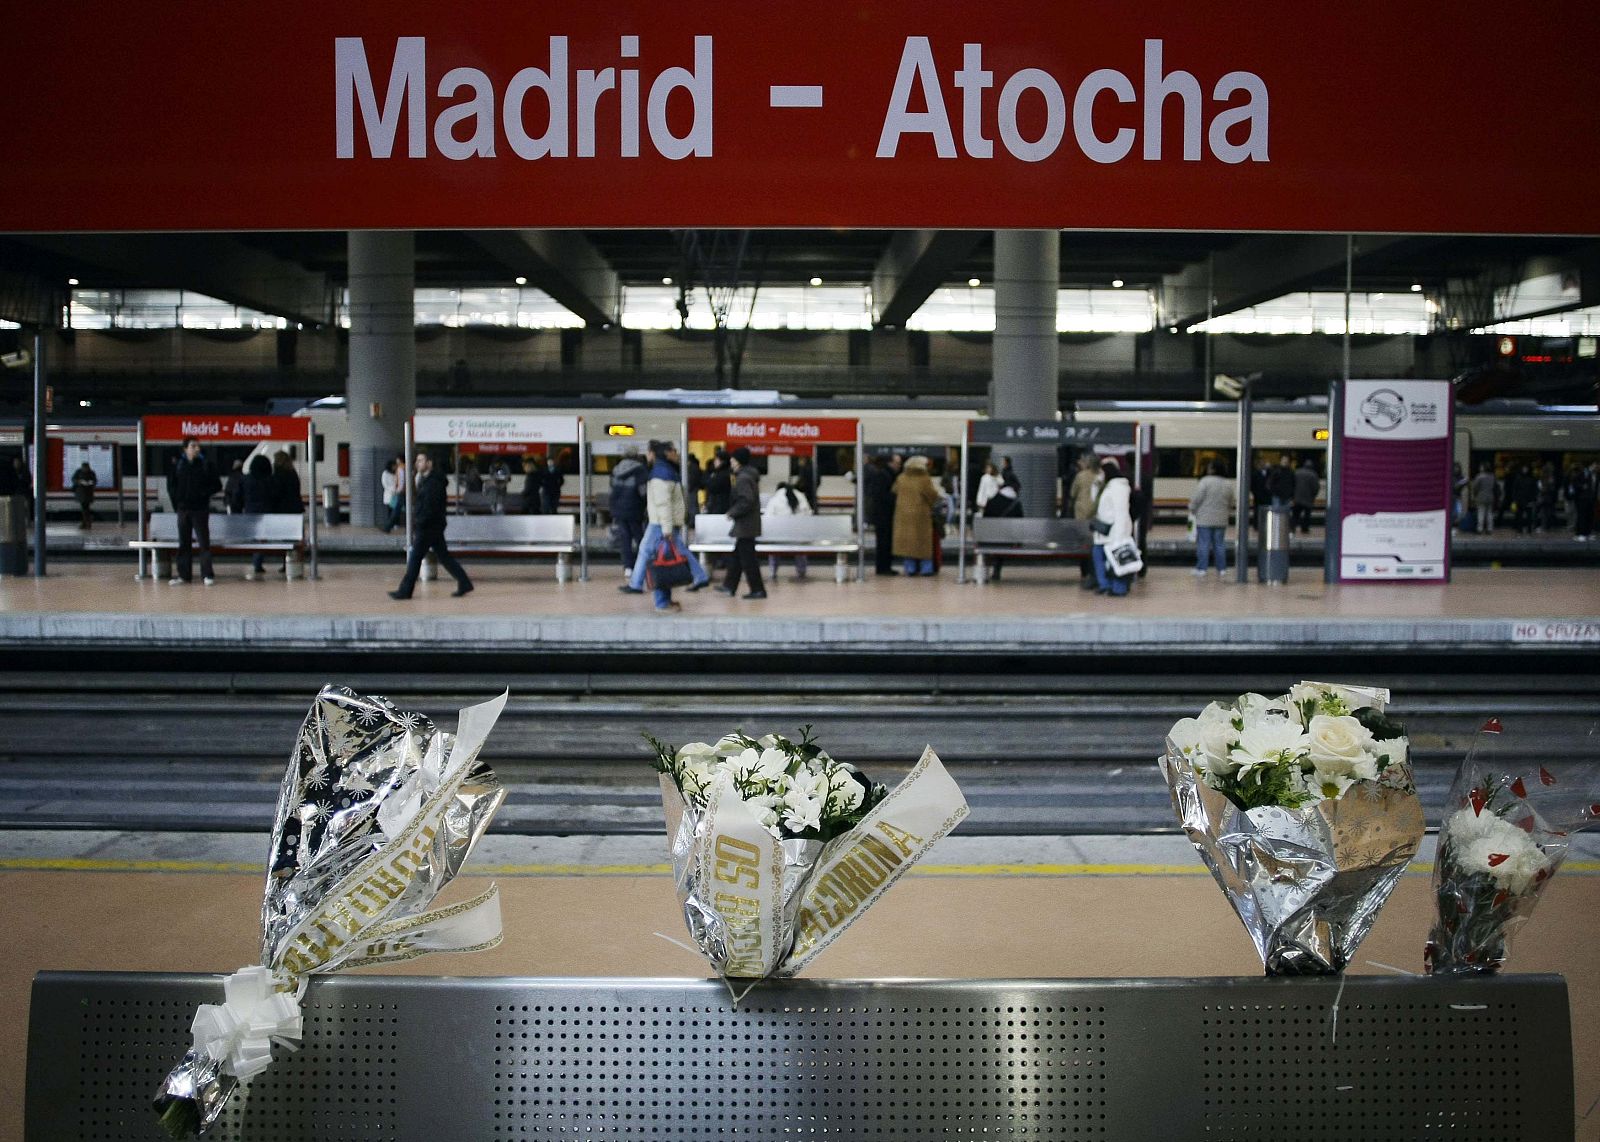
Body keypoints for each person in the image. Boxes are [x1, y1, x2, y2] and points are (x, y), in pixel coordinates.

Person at [622, 441, 710, 610]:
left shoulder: (660, 474)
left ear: (655, 454)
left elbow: (664, 504)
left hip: (660, 522)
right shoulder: (668, 471)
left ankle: (646, 590)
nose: (647, 456)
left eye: (648, 453)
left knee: (656, 557)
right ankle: (699, 576)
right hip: (663, 521)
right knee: (669, 552)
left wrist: (667, 528)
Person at [390, 449, 473, 599]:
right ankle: (464, 582)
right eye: (417, 461)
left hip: (428, 526)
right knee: (444, 556)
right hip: (433, 526)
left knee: (415, 558)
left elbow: (430, 506)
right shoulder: (428, 480)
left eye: (421, 460)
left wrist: (420, 521)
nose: (417, 463)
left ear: (429, 463)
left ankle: (405, 591)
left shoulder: (434, 483)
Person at [167, 436, 221, 586]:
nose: (197, 448)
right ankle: (184, 575)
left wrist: (203, 494)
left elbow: (217, 485)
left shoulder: (206, 465)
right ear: (185, 449)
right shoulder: (178, 466)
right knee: (184, 543)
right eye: (193, 446)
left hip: (200, 510)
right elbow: (171, 486)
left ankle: (207, 574)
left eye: (198, 446)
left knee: (204, 543)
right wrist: (177, 504)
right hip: (183, 510)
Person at [716, 446, 766, 598]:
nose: (730, 461)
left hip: (746, 524)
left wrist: (733, 512)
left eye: (733, 458)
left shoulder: (743, 478)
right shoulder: (747, 475)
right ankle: (729, 586)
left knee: (748, 559)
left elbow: (746, 500)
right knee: (738, 557)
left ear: (738, 461)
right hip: (747, 524)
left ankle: (757, 590)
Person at [891, 454, 941, 576]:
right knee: (923, 542)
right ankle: (926, 569)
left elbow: (894, 490)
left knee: (908, 543)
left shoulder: (901, 478)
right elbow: (932, 495)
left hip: (903, 515)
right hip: (920, 515)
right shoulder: (924, 478)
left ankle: (910, 568)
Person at [1092, 459, 1134, 597]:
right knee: (1100, 556)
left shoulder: (1118, 488)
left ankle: (1118, 588)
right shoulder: (1109, 486)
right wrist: (1096, 483)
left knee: (1117, 559)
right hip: (1105, 532)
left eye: (1101, 472)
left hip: (1115, 531)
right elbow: (1094, 500)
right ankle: (1106, 585)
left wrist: (1120, 536)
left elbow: (1120, 512)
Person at [1188, 460, 1235, 577]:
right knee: (1219, 544)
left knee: (1204, 544)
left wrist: (1192, 508)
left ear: (1212, 469)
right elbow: (1231, 502)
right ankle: (1222, 568)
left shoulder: (1205, 482)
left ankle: (1202, 568)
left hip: (1204, 519)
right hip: (1221, 519)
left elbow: (1197, 498)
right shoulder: (1227, 484)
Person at [764, 478, 812, 581]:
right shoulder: (801, 497)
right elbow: (808, 515)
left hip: (779, 538)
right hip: (798, 537)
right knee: (800, 550)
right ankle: (801, 571)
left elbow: (768, 518)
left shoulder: (775, 499)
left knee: (773, 550)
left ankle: (773, 571)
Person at [608, 448, 647, 573]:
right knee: (639, 537)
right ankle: (643, 565)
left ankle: (628, 567)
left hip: (619, 509)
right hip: (635, 509)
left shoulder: (616, 470)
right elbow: (643, 492)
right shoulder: (640, 470)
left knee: (625, 539)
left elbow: (612, 490)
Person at [979, 476, 1022, 581]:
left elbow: (985, 519)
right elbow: (1020, 524)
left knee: (995, 538)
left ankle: (985, 572)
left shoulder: (992, 500)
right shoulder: (1016, 504)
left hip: (988, 539)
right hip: (1007, 540)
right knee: (1003, 537)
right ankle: (996, 569)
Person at [865, 454, 900, 575]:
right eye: (897, 463)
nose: (898, 466)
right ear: (890, 463)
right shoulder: (884, 475)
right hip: (883, 515)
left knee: (884, 542)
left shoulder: (886, 474)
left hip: (883, 514)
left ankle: (885, 567)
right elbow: (882, 495)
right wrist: (896, 498)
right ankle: (883, 568)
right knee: (884, 542)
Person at [241, 455, 274, 578]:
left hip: (250, 512)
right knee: (262, 538)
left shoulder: (247, 479)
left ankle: (257, 561)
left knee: (256, 537)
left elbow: (238, 496)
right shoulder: (269, 480)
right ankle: (258, 562)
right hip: (265, 512)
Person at [1569, 462, 1596, 542]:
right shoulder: (1578, 475)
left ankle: (1587, 533)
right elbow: (1574, 485)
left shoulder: (1592, 475)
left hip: (1589, 498)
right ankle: (1580, 534)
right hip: (1581, 499)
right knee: (1582, 516)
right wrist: (1582, 486)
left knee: (1589, 516)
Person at [1507, 465, 1538, 535]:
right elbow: (1515, 489)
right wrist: (1515, 499)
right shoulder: (1518, 478)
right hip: (1520, 500)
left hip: (1528, 500)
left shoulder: (1531, 478)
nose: (1525, 470)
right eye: (1524, 468)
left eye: (1526, 468)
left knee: (1529, 516)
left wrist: (1533, 499)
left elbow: (1535, 490)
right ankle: (1519, 529)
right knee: (1519, 516)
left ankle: (1529, 529)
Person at [1291, 458, 1318, 536]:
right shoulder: (1313, 474)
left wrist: (1293, 495)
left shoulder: (1297, 472)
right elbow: (1315, 487)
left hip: (1297, 498)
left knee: (1295, 515)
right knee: (1307, 516)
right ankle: (1305, 529)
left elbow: (1292, 484)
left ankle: (1292, 528)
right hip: (1308, 499)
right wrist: (1313, 495)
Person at [379, 456, 405, 533]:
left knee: (397, 509)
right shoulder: (388, 473)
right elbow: (385, 484)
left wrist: (398, 490)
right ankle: (389, 526)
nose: (396, 465)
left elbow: (401, 481)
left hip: (399, 493)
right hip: (394, 493)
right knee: (394, 509)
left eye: (397, 462)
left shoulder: (401, 469)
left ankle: (389, 526)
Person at [1470, 463, 1498, 535]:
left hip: (1481, 497)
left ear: (1483, 468)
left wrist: (1475, 495)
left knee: (1481, 513)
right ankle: (1489, 529)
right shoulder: (1492, 477)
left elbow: (1475, 487)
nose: (1480, 468)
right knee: (1489, 513)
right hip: (1490, 496)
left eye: (1481, 467)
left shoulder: (1479, 477)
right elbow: (1495, 487)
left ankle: (1480, 529)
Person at [71, 461, 96, 530]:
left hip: (86, 494)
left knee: (85, 509)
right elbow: (74, 479)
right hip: (82, 494)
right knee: (85, 508)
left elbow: (94, 481)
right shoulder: (82, 472)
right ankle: (86, 522)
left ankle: (86, 523)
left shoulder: (82, 472)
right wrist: (81, 482)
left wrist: (89, 483)